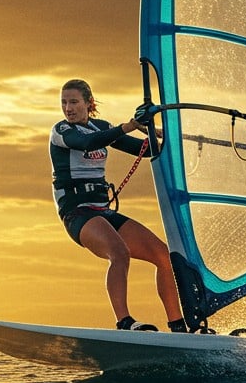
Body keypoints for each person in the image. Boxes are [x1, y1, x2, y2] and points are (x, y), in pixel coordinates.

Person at [50, 78, 194, 332]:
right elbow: (87, 143)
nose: (68, 108)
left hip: (103, 211)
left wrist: (160, 133)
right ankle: (125, 322)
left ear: (88, 103)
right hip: (77, 214)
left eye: (74, 102)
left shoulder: (100, 127)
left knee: (163, 255)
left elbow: (147, 150)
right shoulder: (62, 131)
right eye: (64, 102)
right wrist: (128, 126)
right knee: (119, 252)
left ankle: (178, 325)